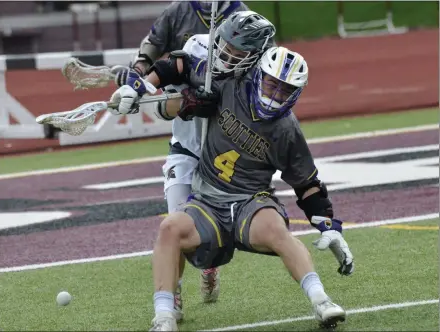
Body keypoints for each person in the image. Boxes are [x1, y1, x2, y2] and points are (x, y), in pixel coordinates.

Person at [110, 45, 355, 331]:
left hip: (251, 201)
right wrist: (139, 88)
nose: (275, 95)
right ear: (259, 76)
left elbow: (307, 184)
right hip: (207, 202)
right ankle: (164, 316)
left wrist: (328, 225)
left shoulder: (287, 129)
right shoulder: (229, 86)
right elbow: (178, 66)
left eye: (285, 90)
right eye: (272, 84)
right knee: (170, 229)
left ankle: (322, 301)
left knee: (277, 230)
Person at [113, 10, 276, 323]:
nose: (229, 49)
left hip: (224, 157)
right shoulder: (196, 48)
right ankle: (172, 297)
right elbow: (165, 102)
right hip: (186, 151)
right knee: (176, 223)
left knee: (211, 233)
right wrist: (140, 90)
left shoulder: (255, 65)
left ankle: (210, 263)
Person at [128, 1, 249, 76]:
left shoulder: (242, 13)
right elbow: (154, 42)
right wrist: (139, 69)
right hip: (180, 88)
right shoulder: (177, 9)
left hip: (224, 86)